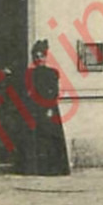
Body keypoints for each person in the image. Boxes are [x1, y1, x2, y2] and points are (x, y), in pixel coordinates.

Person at [24, 39, 71, 175]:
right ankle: (38, 169)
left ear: (45, 57)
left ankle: (54, 169)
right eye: (36, 57)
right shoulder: (30, 73)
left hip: (49, 109)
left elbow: (54, 92)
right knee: (37, 139)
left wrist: (50, 108)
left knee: (50, 138)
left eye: (41, 56)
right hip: (35, 109)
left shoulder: (52, 73)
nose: (39, 59)